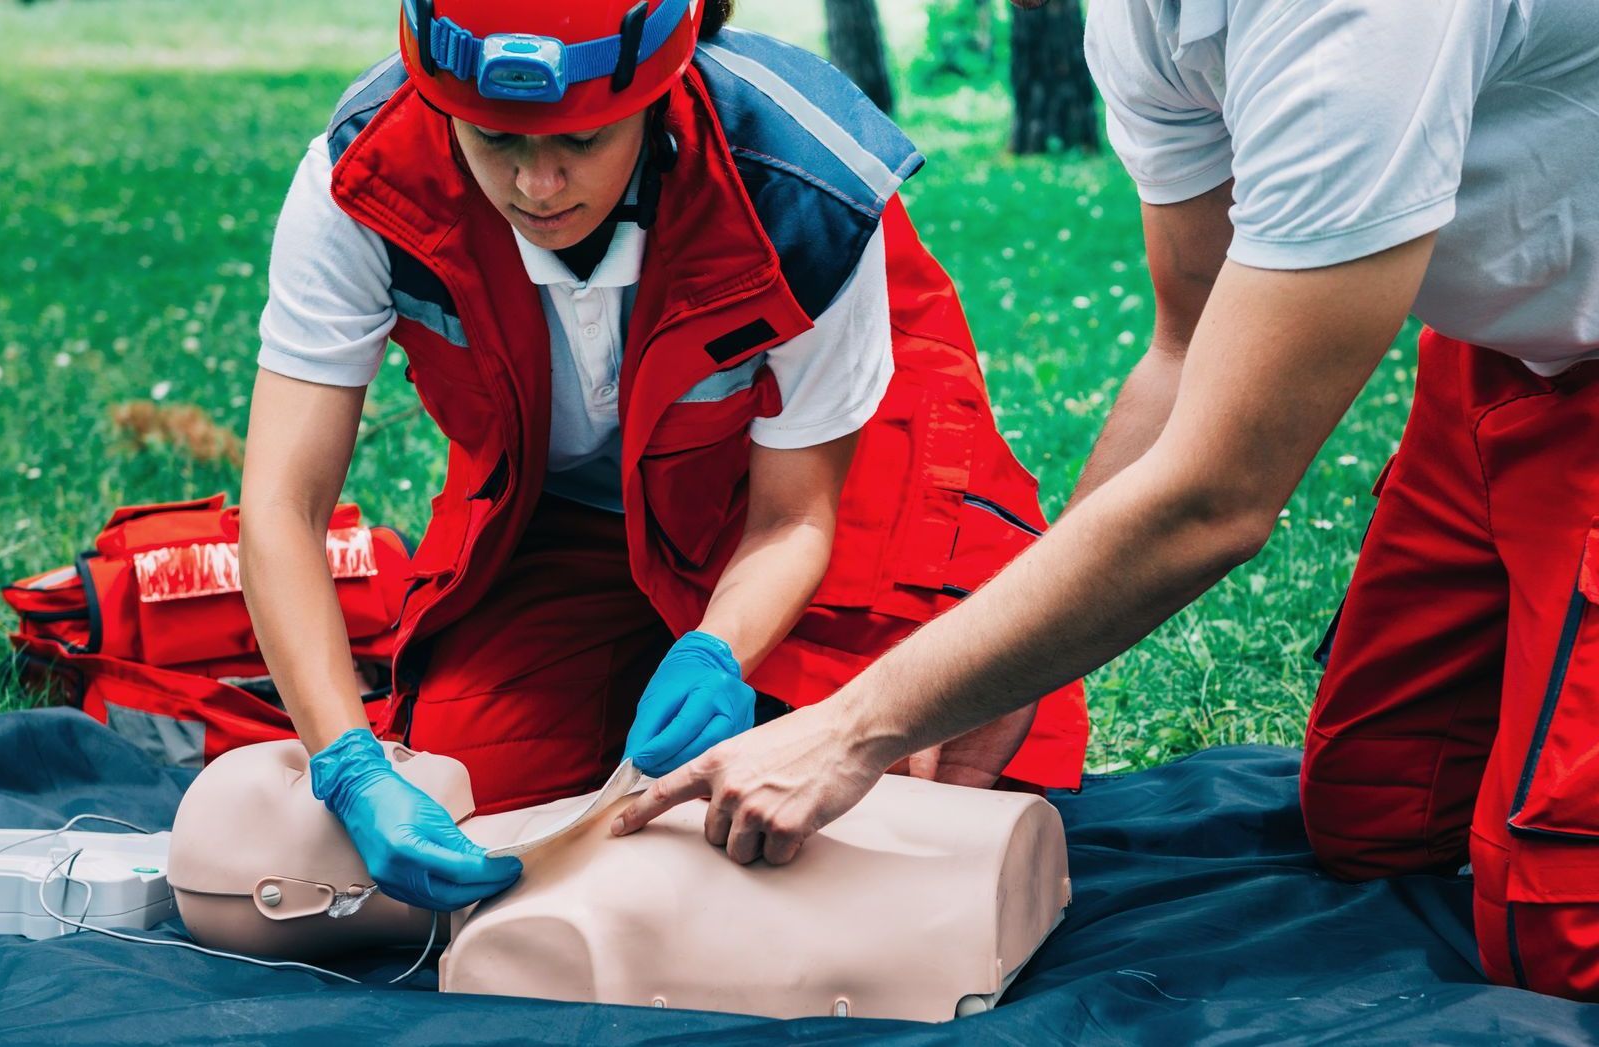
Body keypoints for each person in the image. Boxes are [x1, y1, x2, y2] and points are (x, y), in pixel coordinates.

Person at [614, 0, 1599, 1001]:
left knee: (1560, 936)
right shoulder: (1149, 18)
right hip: (1491, 363)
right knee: (1373, 819)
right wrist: (1007, 676)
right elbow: (1187, 346)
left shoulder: (1357, 20)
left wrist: (853, 726)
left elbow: (1216, 496)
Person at [237, 0, 1088, 912]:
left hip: (835, 470)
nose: (539, 183)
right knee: (475, 789)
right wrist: (347, 760)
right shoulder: (361, 180)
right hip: (565, 506)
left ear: (661, 82)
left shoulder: (804, 182)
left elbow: (796, 514)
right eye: (495, 139)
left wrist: (717, 649)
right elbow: (281, 504)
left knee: (901, 796)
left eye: (585, 137)